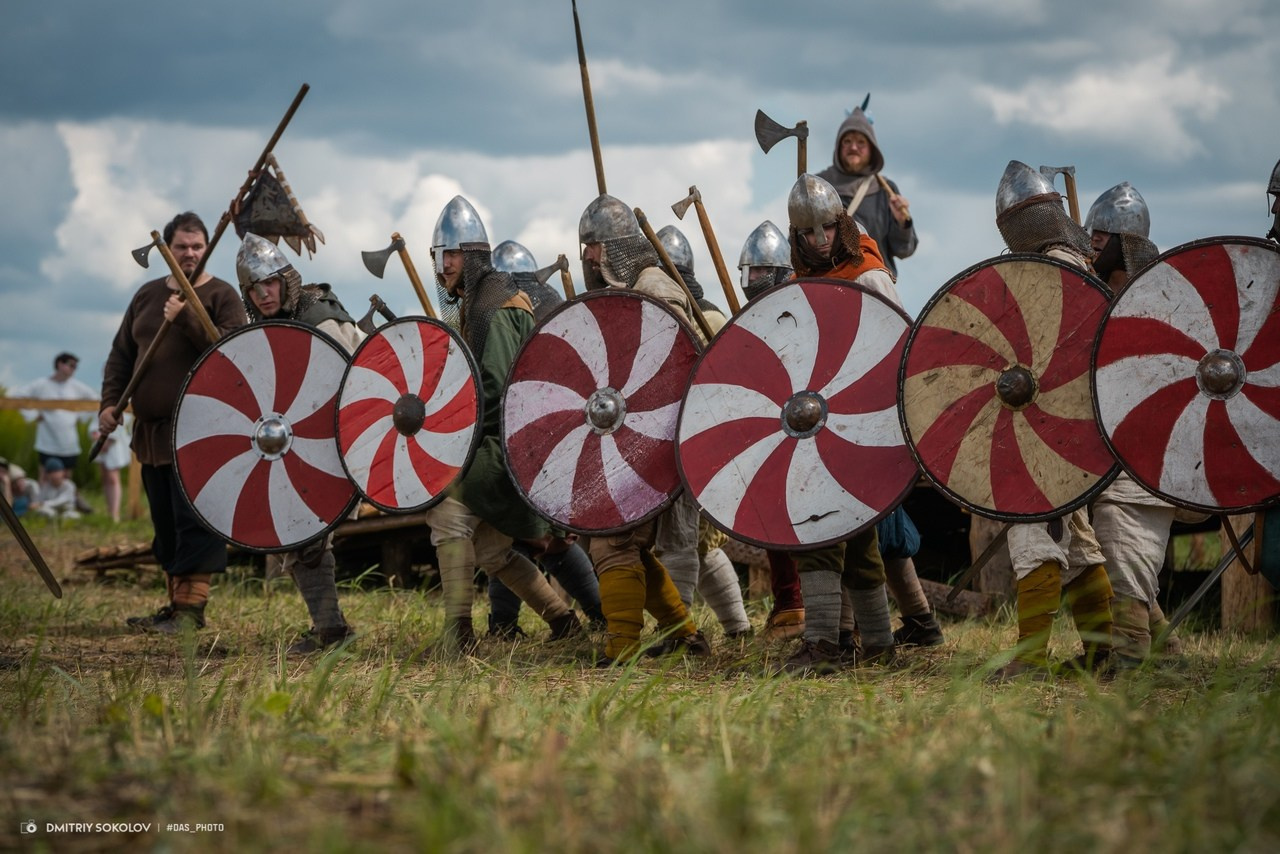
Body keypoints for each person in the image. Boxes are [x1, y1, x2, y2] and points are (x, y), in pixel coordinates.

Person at [423, 196, 584, 654]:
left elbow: (494, 389)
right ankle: (563, 621)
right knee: (491, 549)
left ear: (474, 255)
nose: (445, 264)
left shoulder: (492, 305)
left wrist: (461, 444)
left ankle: (459, 634)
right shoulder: (482, 299)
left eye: (453, 255)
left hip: (504, 443)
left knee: (446, 512)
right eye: (440, 255)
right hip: (508, 441)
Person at [769, 174, 901, 674]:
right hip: (812, 425)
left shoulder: (869, 276)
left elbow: (896, 351)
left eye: (826, 227)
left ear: (841, 224)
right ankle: (879, 644)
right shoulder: (798, 285)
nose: (820, 240)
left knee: (824, 527)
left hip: (861, 423)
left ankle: (824, 645)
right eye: (808, 232)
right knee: (853, 534)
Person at [989, 161, 1114, 679]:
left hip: (1050, 424)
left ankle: (1030, 658)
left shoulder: (1057, 268)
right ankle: (1102, 652)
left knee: (1031, 531)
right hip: (1066, 427)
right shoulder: (1070, 263)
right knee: (1079, 542)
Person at [99, 211, 248, 633]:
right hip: (152, 434)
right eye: (181, 246)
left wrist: (186, 317)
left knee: (195, 520)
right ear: (166, 250)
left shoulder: (222, 296)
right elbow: (121, 356)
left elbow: (230, 353)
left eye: (197, 246)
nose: (190, 253)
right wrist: (109, 404)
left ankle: (190, 611)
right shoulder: (146, 296)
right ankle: (174, 606)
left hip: (201, 432)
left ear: (207, 248)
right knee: (165, 523)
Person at [578, 193, 710, 663]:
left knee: (614, 539)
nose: (587, 256)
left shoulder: (655, 290)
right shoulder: (631, 289)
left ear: (613, 247)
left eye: (593, 245)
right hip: (632, 437)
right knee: (624, 541)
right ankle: (684, 634)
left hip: (660, 438)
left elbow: (673, 373)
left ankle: (623, 646)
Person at [236, 232, 361, 654]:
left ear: (286, 280)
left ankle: (332, 632)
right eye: (254, 288)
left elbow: (347, 388)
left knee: (307, 534)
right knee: (301, 533)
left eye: (270, 283)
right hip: (298, 443)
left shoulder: (320, 319)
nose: (263, 294)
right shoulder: (270, 325)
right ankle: (331, 629)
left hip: (337, 441)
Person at [815, 99, 917, 277]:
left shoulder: (886, 190)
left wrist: (902, 223)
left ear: (871, 148)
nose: (853, 147)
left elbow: (904, 250)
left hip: (875, 285)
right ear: (838, 146)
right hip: (829, 283)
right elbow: (799, 245)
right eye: (847, 141)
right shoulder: (819, 186)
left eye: (861, 142)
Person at [15, 352, 97, 484]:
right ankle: (43, 498)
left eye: (75, 366)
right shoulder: (41, 384)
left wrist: (80, 417)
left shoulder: (77, 386)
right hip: (47, 442)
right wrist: (34, 415)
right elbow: (18, 396)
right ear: (60, 364)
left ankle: (65, 498)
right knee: (45, 477)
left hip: (68, 442)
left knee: (66, 479)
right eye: (71, 365)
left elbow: (95, 401)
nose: (73, 369)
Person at [93, 410, 132, 523]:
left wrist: (108, 441)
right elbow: (94, 418)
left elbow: (123, 419)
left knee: (113, 478)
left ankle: (115, 513)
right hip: (100, 439)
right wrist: (95, 435)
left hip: (114, 444)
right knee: (105, 477)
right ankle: (110, 511)